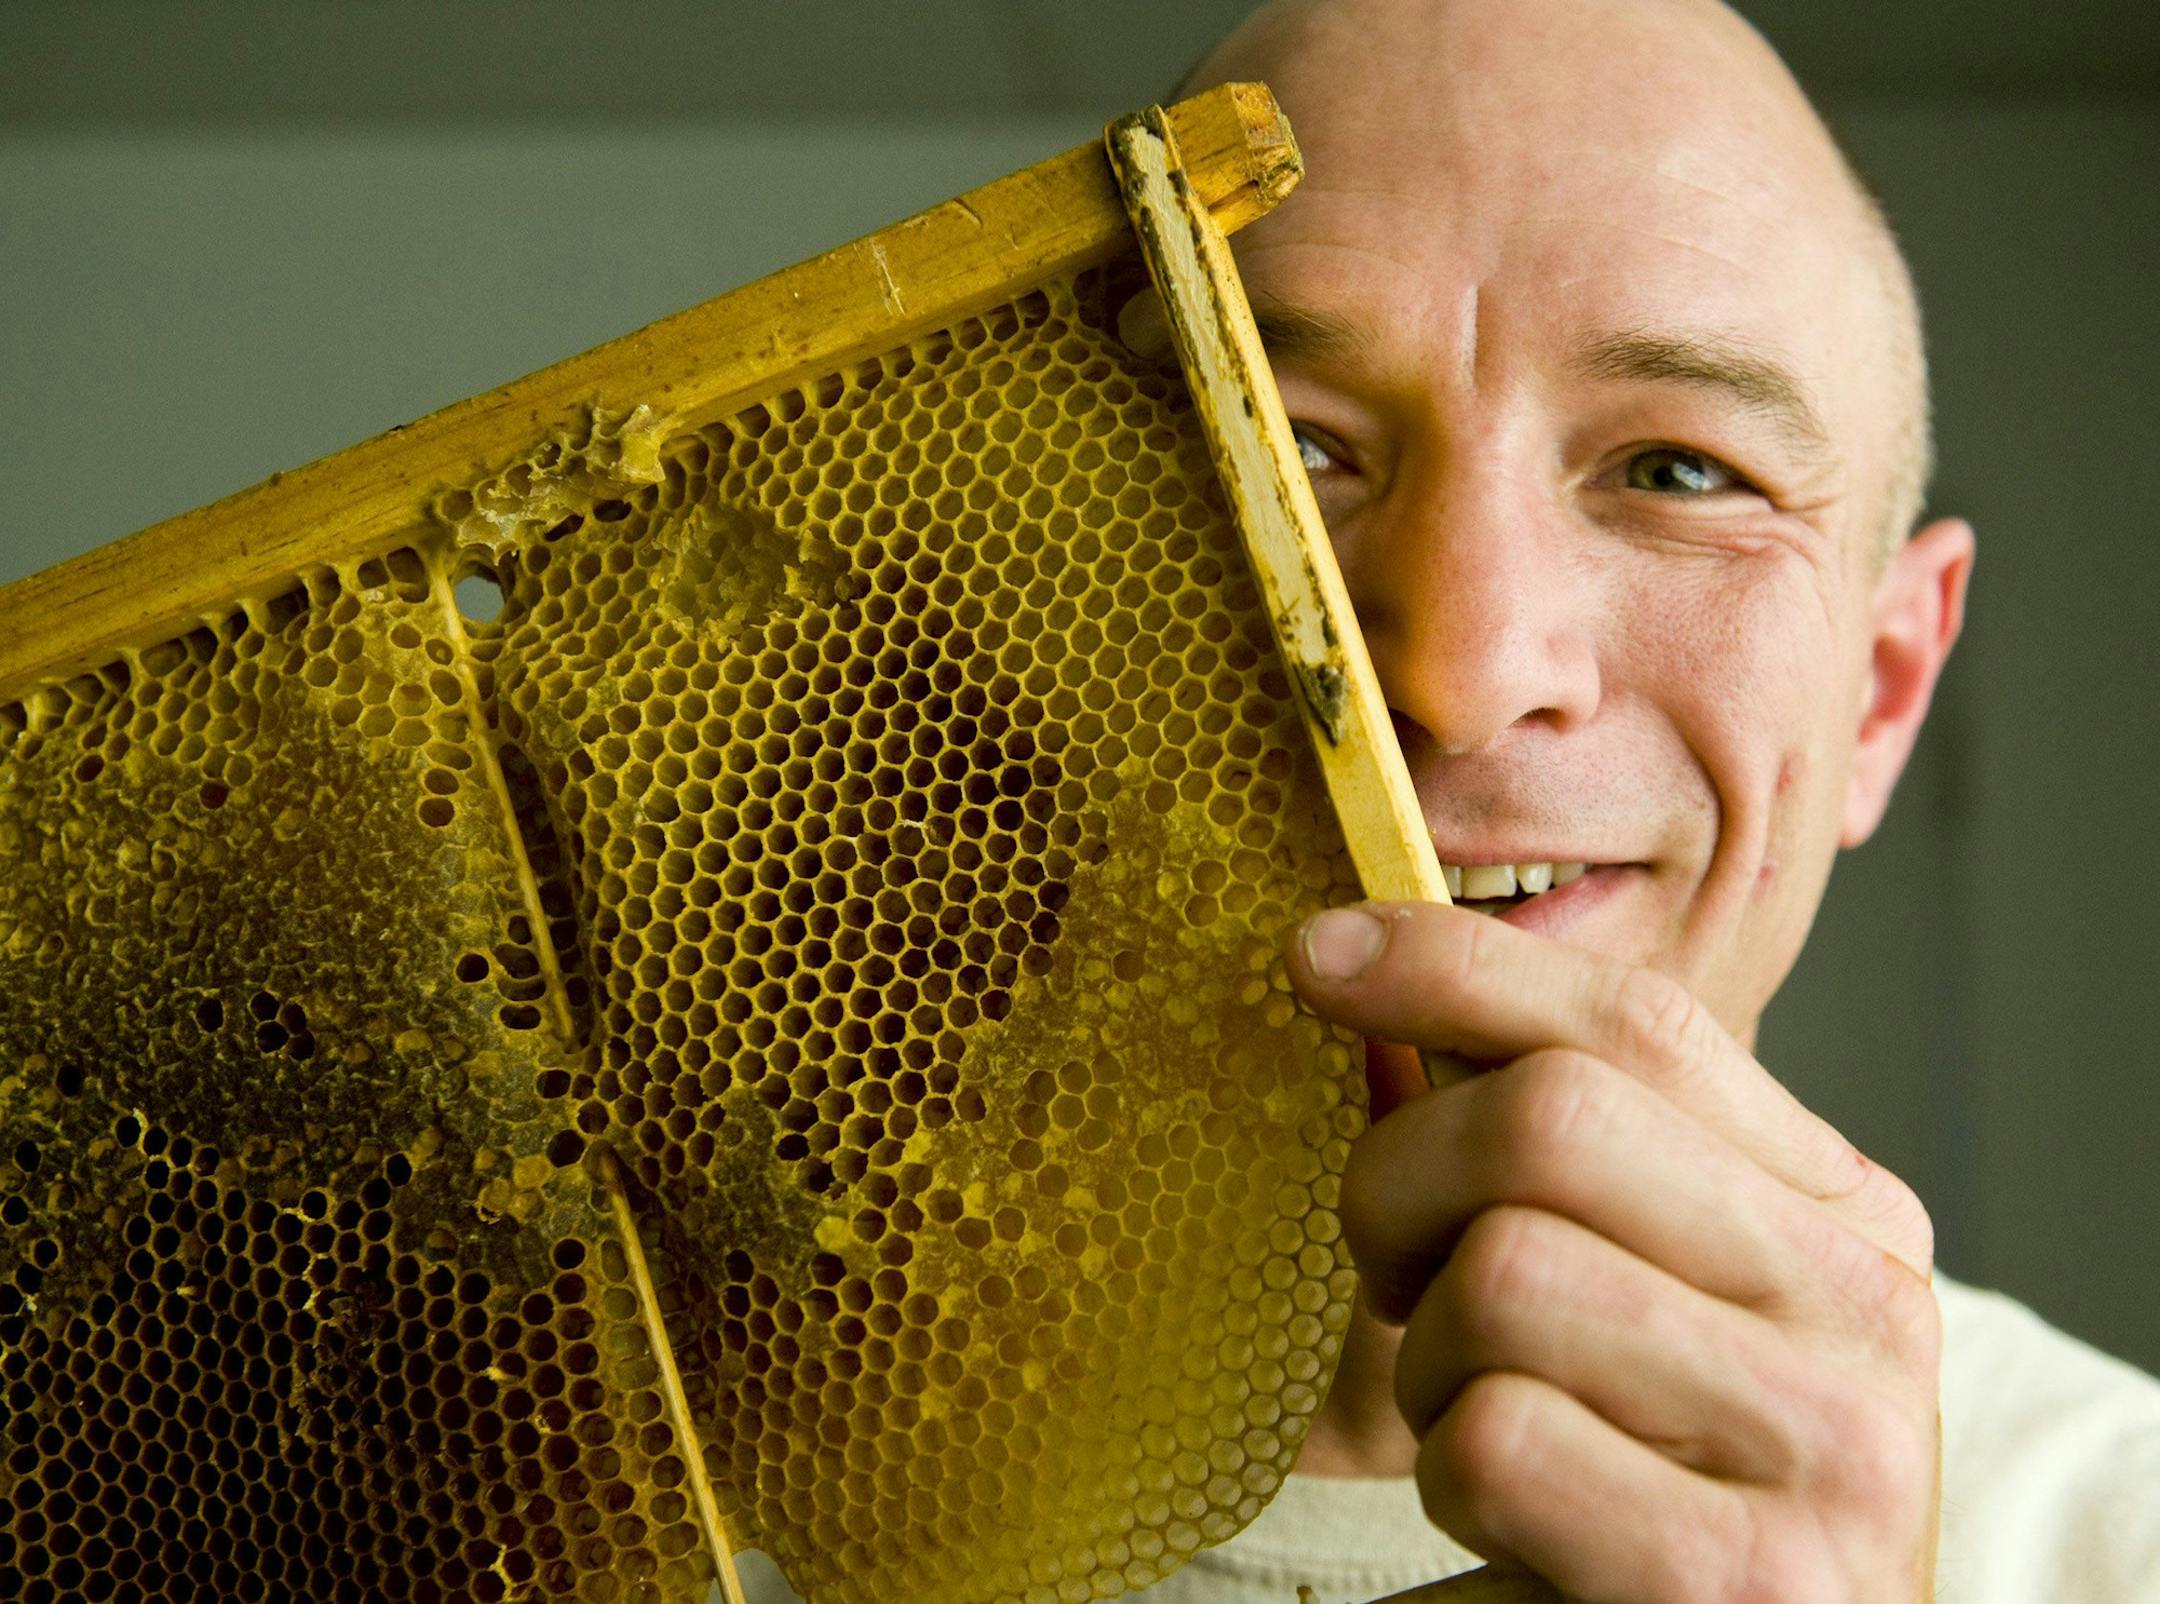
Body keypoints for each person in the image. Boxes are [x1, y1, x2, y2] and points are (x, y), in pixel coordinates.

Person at [1111, 1, 2160, 1600]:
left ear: (1881, 695)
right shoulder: (633, 1502)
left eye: (1675, 471)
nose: (1457, 669)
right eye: (1292, 446)